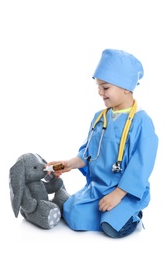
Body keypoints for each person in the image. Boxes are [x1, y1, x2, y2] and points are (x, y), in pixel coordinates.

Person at [46, 49, 158, 238]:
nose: (100, 93)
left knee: (111, 227)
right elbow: (89, 153)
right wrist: (69, 164)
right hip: (100, 186)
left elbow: (142, 165)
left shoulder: (141, 122)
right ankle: (101, 210)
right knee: (73, 214)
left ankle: (131, 215)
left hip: (126, 191)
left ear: (126, 87)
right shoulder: (100, 118)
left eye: (105, 88)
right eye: (98, 87)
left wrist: (118, 194)